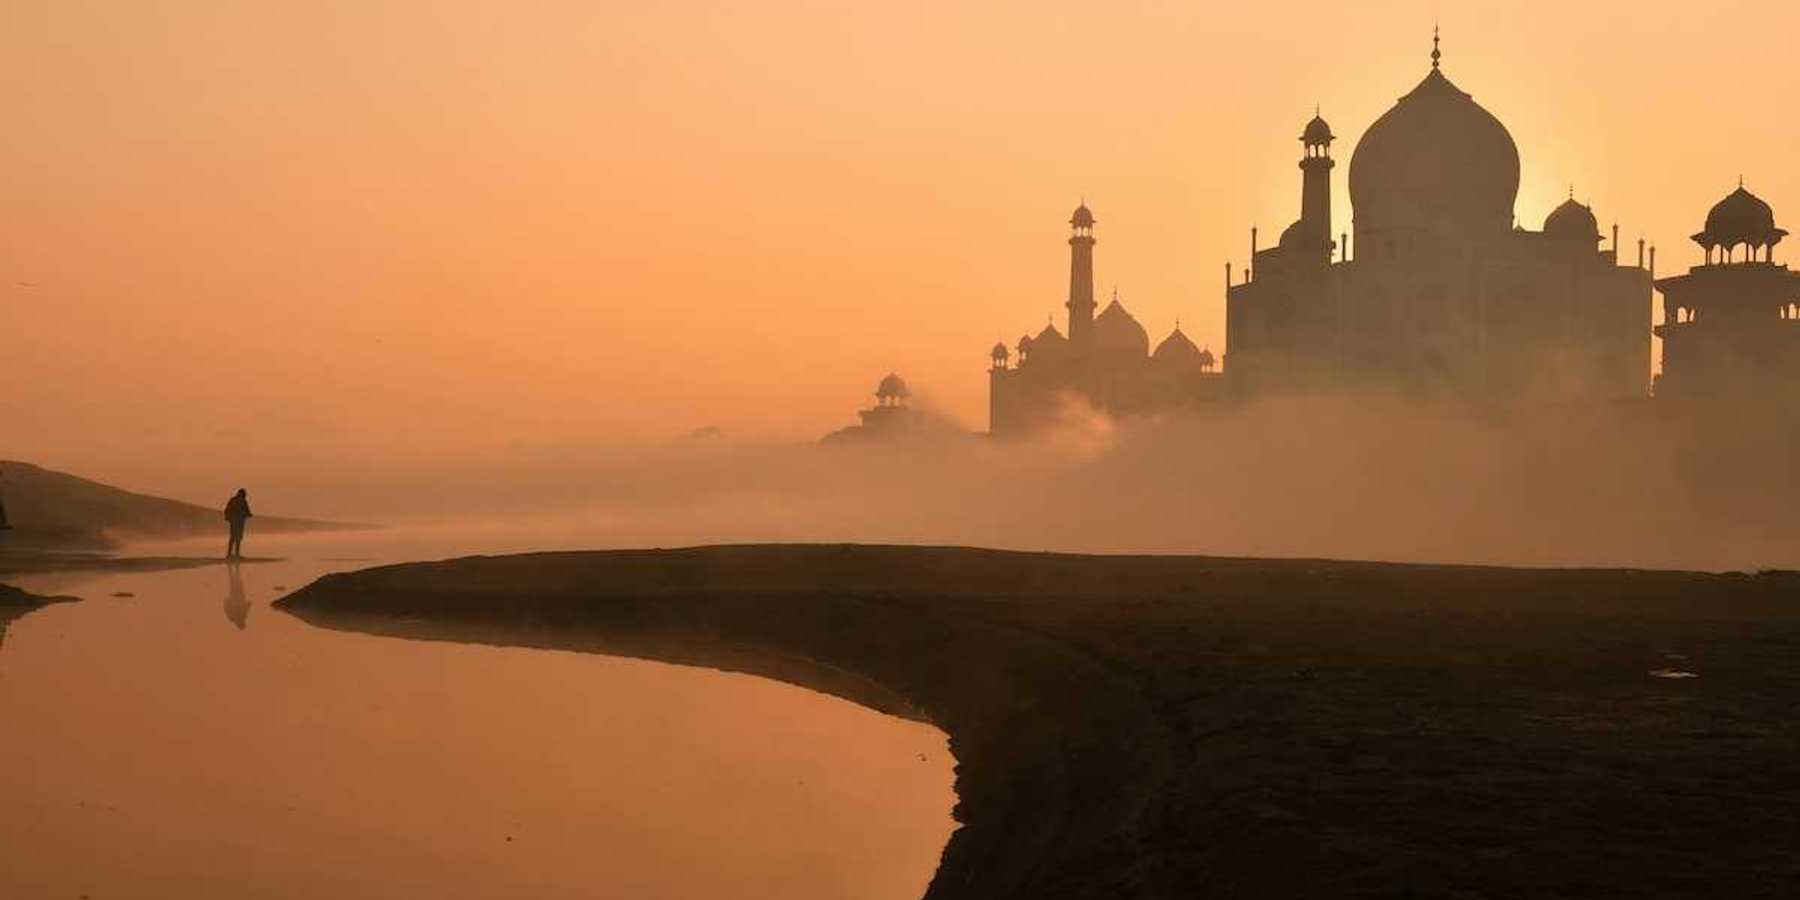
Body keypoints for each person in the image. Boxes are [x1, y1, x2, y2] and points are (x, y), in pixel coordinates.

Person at [223, 488, 252, 559]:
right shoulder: (235, 500)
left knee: (237, 538)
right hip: (235, 522)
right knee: (234, 537)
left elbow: (247, 511)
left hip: (239, 522)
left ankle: (235, 554)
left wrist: (248, 514)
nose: (240, 495)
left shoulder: (241, 501)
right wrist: (228, 517)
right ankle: (231, 554)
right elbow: (227, 510)